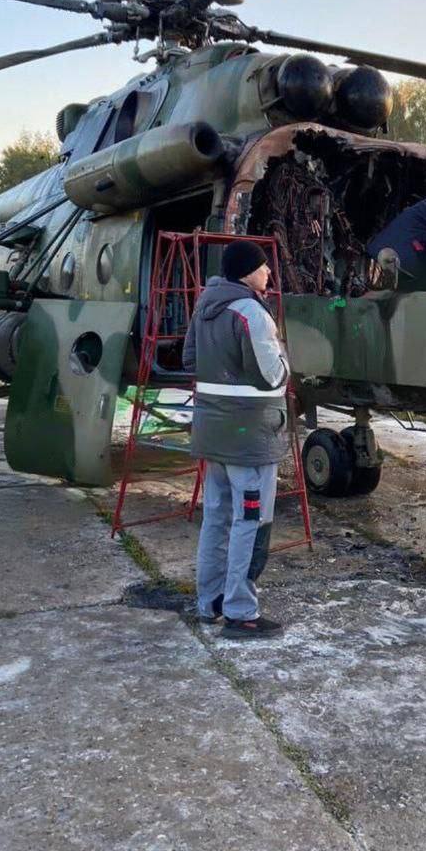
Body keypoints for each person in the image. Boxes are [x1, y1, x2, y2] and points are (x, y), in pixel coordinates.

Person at [182, 240, 290, 640]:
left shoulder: (205, 305)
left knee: (216, 516)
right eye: (264, 268)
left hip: (213, 432)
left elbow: (189, 360)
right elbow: (271, 376)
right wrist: (285, 360)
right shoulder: (251, 313)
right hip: (251, 438)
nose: (269, 274)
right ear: (248, 271)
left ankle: (209, 602)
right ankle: (241, 611)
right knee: (251, 521)